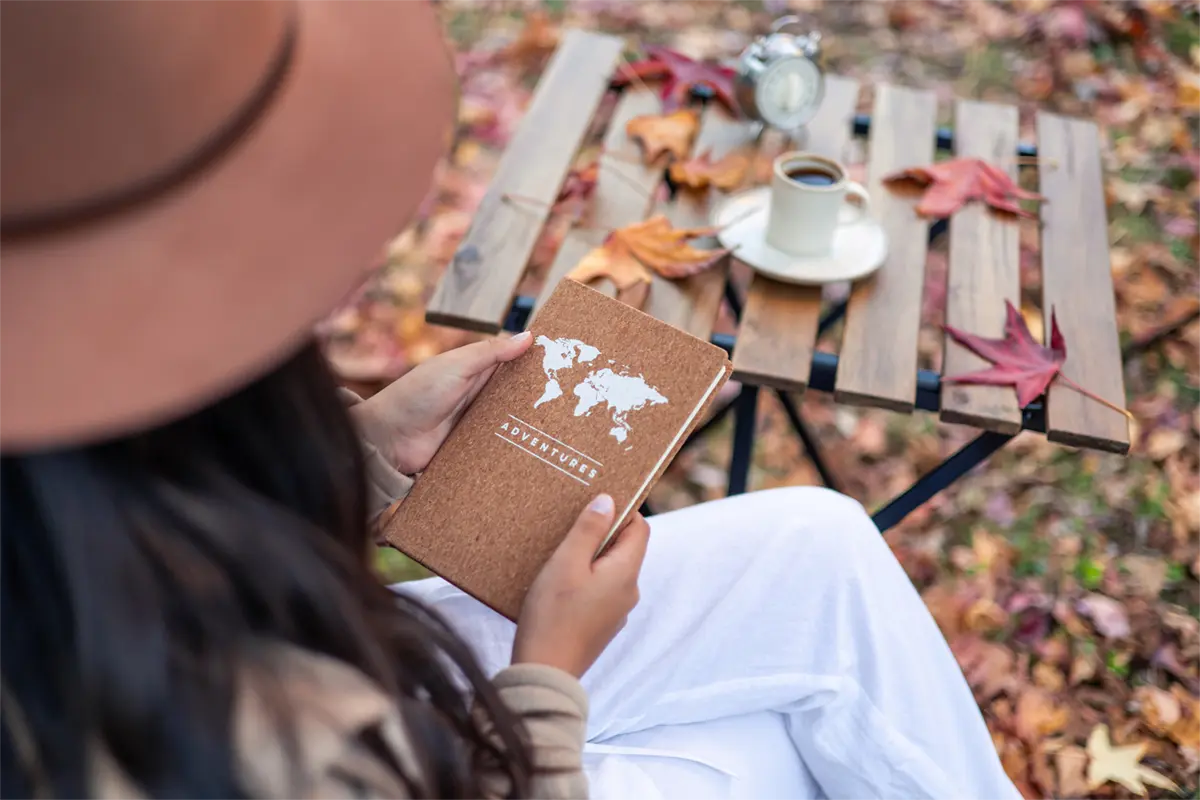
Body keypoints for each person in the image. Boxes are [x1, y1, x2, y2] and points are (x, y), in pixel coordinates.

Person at [0, 0, 1020, 798]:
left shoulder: (65, 495)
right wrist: (549, 674)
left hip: (346, 655)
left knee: (821, 545)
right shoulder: (224, 745)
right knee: (778, 748)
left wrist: (363, 455)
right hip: (412, 738)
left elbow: (155, 543)